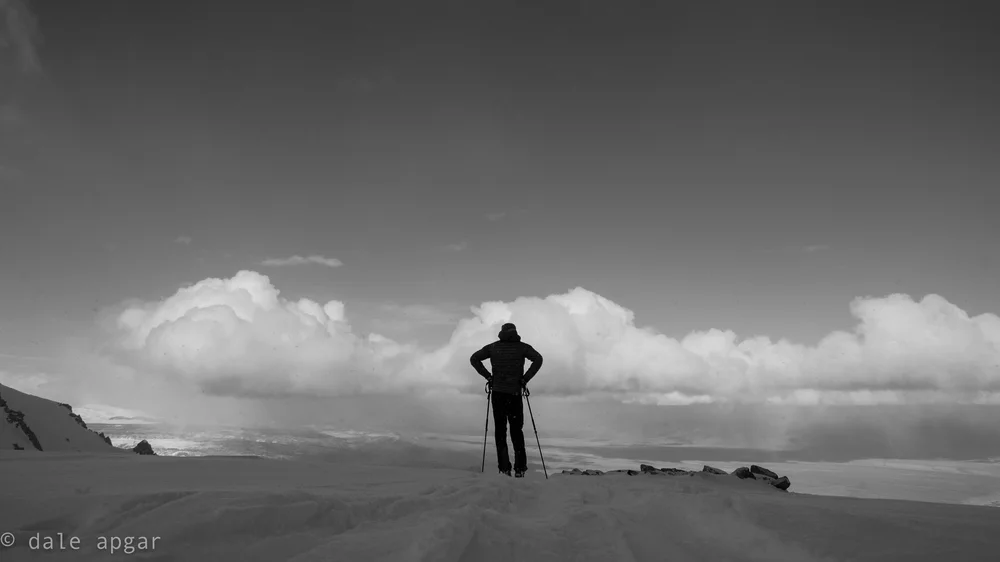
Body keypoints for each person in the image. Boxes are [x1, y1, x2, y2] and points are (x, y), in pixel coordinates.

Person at [470, 322, 543, 478]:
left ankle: (504, 469)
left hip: (498, 394)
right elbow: (538, 359)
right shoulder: (522, 348)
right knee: (517, 431)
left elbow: (474, 358)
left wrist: (488, 377)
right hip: (514, 394)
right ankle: (520, 468)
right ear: (515, 332)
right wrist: (525, 379)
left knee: (500, 432)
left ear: (502, 333)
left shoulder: (493, 348)